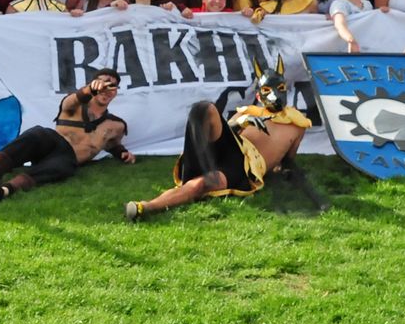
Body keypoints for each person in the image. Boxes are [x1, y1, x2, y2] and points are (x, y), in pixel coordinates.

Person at [125, 57, 314, 220]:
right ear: (258, 94)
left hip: (245, 167)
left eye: (279, 88)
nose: (274, 94)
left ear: (285, 89)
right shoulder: (248, 112)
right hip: (231, 147)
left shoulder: (298, 125)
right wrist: (243, 121)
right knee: (204, 108)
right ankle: (197, 162)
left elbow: (286, 162)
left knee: (202, 183)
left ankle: (146, 207)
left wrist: (284, 170)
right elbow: (227, 132)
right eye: (267, 90)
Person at [0, 68, 134, 201]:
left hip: (67, 159)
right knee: (36, 133)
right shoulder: (73, 104)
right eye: (102, 83)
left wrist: (122, 153)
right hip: (54, 142)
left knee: (65, 166)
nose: (106, 88)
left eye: (111, 85)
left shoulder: (116, 125)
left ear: (116, 91)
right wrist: (91, 89)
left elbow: (112, 144)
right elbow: (74, 99)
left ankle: (6, 189)